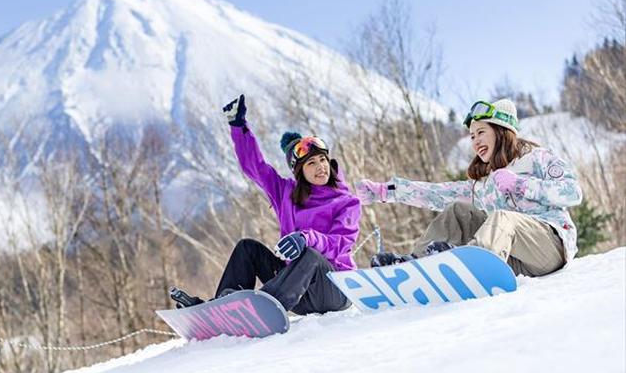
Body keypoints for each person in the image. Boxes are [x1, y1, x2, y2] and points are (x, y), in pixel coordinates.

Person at [169, 94, 361, 314]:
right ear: (299, 172)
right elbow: (256, 167)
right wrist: (238, 126)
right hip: (297, 292)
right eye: (311, 163)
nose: (321, 167)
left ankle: (262, 309)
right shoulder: (286, 194)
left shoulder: (347, 202)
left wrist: (306, 238)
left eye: (323, 160)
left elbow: (341, 243)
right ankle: (222, 309)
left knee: (311, 256)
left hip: (335, 288)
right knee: (247, 248)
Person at [355, 98, 582, 277]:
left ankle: (473, 268)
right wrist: (387, 191)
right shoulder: (485, 183)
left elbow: (573, 192)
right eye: (472, 136)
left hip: (549, 249)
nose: (475, 141)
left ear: (501, 131)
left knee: (504, 217)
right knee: (457, 210)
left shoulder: (537, 158)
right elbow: (438, 194)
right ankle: (419, 265)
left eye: (481, 132)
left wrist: (521, 184)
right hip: (512, 258)